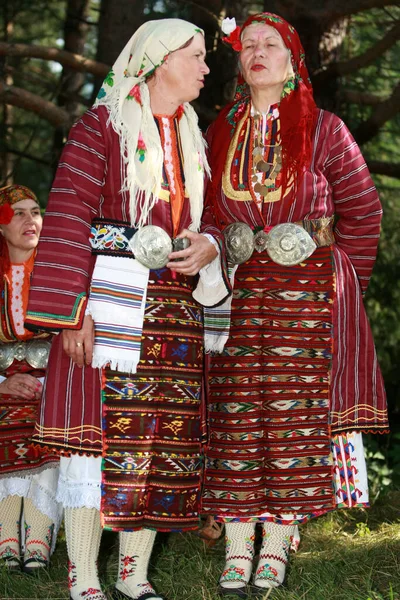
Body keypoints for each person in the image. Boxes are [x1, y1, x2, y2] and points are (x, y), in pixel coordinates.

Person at [25, 18, 227, 600]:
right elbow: (66, 220)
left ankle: (133, 576)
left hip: (174, 312)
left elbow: (210, 217)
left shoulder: (193, 135)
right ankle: (83, 576)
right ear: (161, 60)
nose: (205, 68)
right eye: (196, 55)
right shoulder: (101, 127)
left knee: (157, 443)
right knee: (101, 444)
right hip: (109, 310)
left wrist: (209, 242)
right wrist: (74, 311)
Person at [201, 12, 388, 597]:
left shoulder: (325, 128)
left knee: (292, 414)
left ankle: (277, 542)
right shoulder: (217, 132)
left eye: (270, 45)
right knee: (234, 411)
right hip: (238, 289)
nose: (257, 53)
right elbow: (207, 215)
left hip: (308, 293)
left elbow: (363, 210)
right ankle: (237, 543)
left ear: (292, 59)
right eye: (247, 46)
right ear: (238, 62)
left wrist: (341, 282)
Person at [0, 185, 62, 573]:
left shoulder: (58, 273)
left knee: (53, 431)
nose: (29, 220)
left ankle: (38, 535)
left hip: (52, 379)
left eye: (35, 211)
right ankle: (6, 535)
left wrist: (54, 383)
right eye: (17, 213)